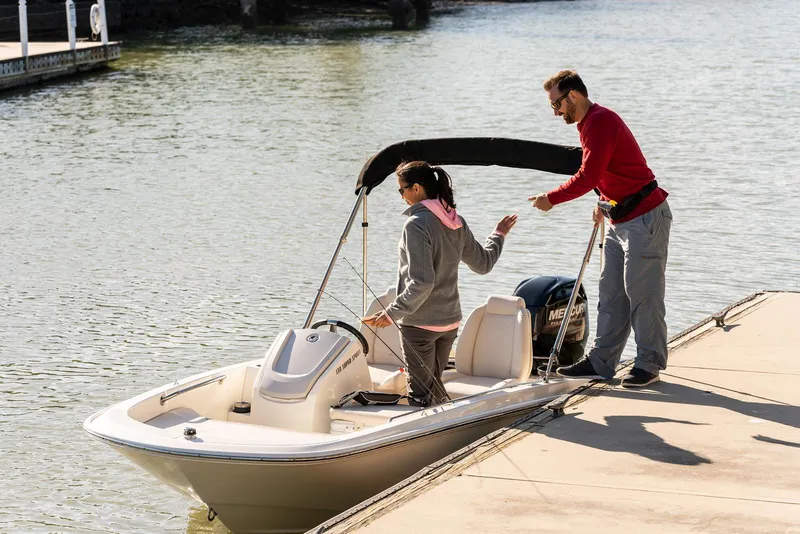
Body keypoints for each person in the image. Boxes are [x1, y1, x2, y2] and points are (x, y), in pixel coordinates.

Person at [528, 70, 672, 388]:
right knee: (611, 293)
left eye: (556, 104)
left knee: (643, 295)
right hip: (618, 218)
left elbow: (588, 176)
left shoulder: (600, 121)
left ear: (573, 96)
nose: (555, 112)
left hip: (645, 218)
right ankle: (601, 362)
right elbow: (609, 171)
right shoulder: (587, 124)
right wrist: (603, 201)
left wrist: (551, 199)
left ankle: (648, 364)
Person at [363, 161, 517, 406]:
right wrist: (498, 235)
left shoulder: (416, 224)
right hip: (449, 323)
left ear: (416, 188)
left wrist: (392, 313)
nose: (401, 196)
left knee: (421, 396)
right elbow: (484, 264)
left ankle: (424, 428)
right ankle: (452, 422)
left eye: (401, 190)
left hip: (420, 326)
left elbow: (422, 283)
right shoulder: (455, 220)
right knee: (433, 388)